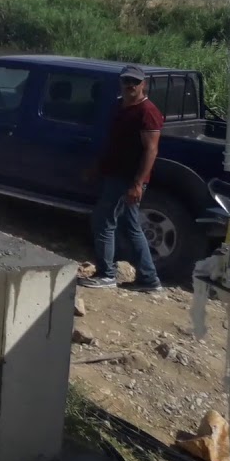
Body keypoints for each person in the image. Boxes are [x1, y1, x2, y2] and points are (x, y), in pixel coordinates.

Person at [80, 65, 164, 292]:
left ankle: (106, 274)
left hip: (128, 179)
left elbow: (151, 150)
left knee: (103, 221)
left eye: (135, 82)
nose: (130, 85)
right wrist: (98, 167)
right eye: (126, 81)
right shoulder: (120, 106)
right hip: (114, 174)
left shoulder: (148, 112)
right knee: (130, 226)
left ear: (143, 84)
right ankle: (149, 279)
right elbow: (114, 143)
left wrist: (138, 183)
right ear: (121, 82)